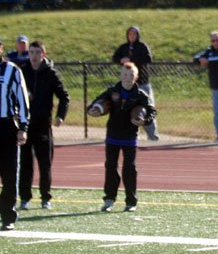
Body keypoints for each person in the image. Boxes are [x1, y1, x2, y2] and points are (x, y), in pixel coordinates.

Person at [87, 62, 156, 212]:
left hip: (130, 137)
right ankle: (109, 199)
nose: (127, 77)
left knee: (129, 168)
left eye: (131, 75)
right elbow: (95, 103)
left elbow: (151, 110)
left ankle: (131, 201)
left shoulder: (140, 95)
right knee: (111, 167)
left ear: (136, 77)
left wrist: (144, 120)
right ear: (120, 75)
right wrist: (93, 109)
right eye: (125, 74)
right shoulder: (112, 91)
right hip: (112, 135)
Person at [19, 41, 70, 210]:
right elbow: (13, 93)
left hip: (43, 124)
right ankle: (25, 198)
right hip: (24, 125)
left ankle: (45, 198)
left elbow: (64, 96)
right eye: (31, 52)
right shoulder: (22, 71)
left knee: (45, 163)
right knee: (25, 163)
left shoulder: (50, 73)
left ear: (43, 54)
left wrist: (60, 116)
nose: (33, 55)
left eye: (37, 52)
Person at [0, 39, 30, 231]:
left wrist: (23, 127)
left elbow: (22, 97)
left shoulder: (12, 70)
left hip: (6, 126)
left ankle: (7, 216)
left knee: (10, 175)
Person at [112, 26, 159, 141]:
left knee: (147, 108)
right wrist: (121, 60)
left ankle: (152, 136)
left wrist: (132, 59)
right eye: (130, 34)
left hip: (142, 83)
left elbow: (148, 59)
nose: (132, 36)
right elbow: (115, 57)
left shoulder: (142, 47)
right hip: (128, 85)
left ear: (138, 35)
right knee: (128, 110)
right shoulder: (124, 47)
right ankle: (130, 136)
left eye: (134, 34)